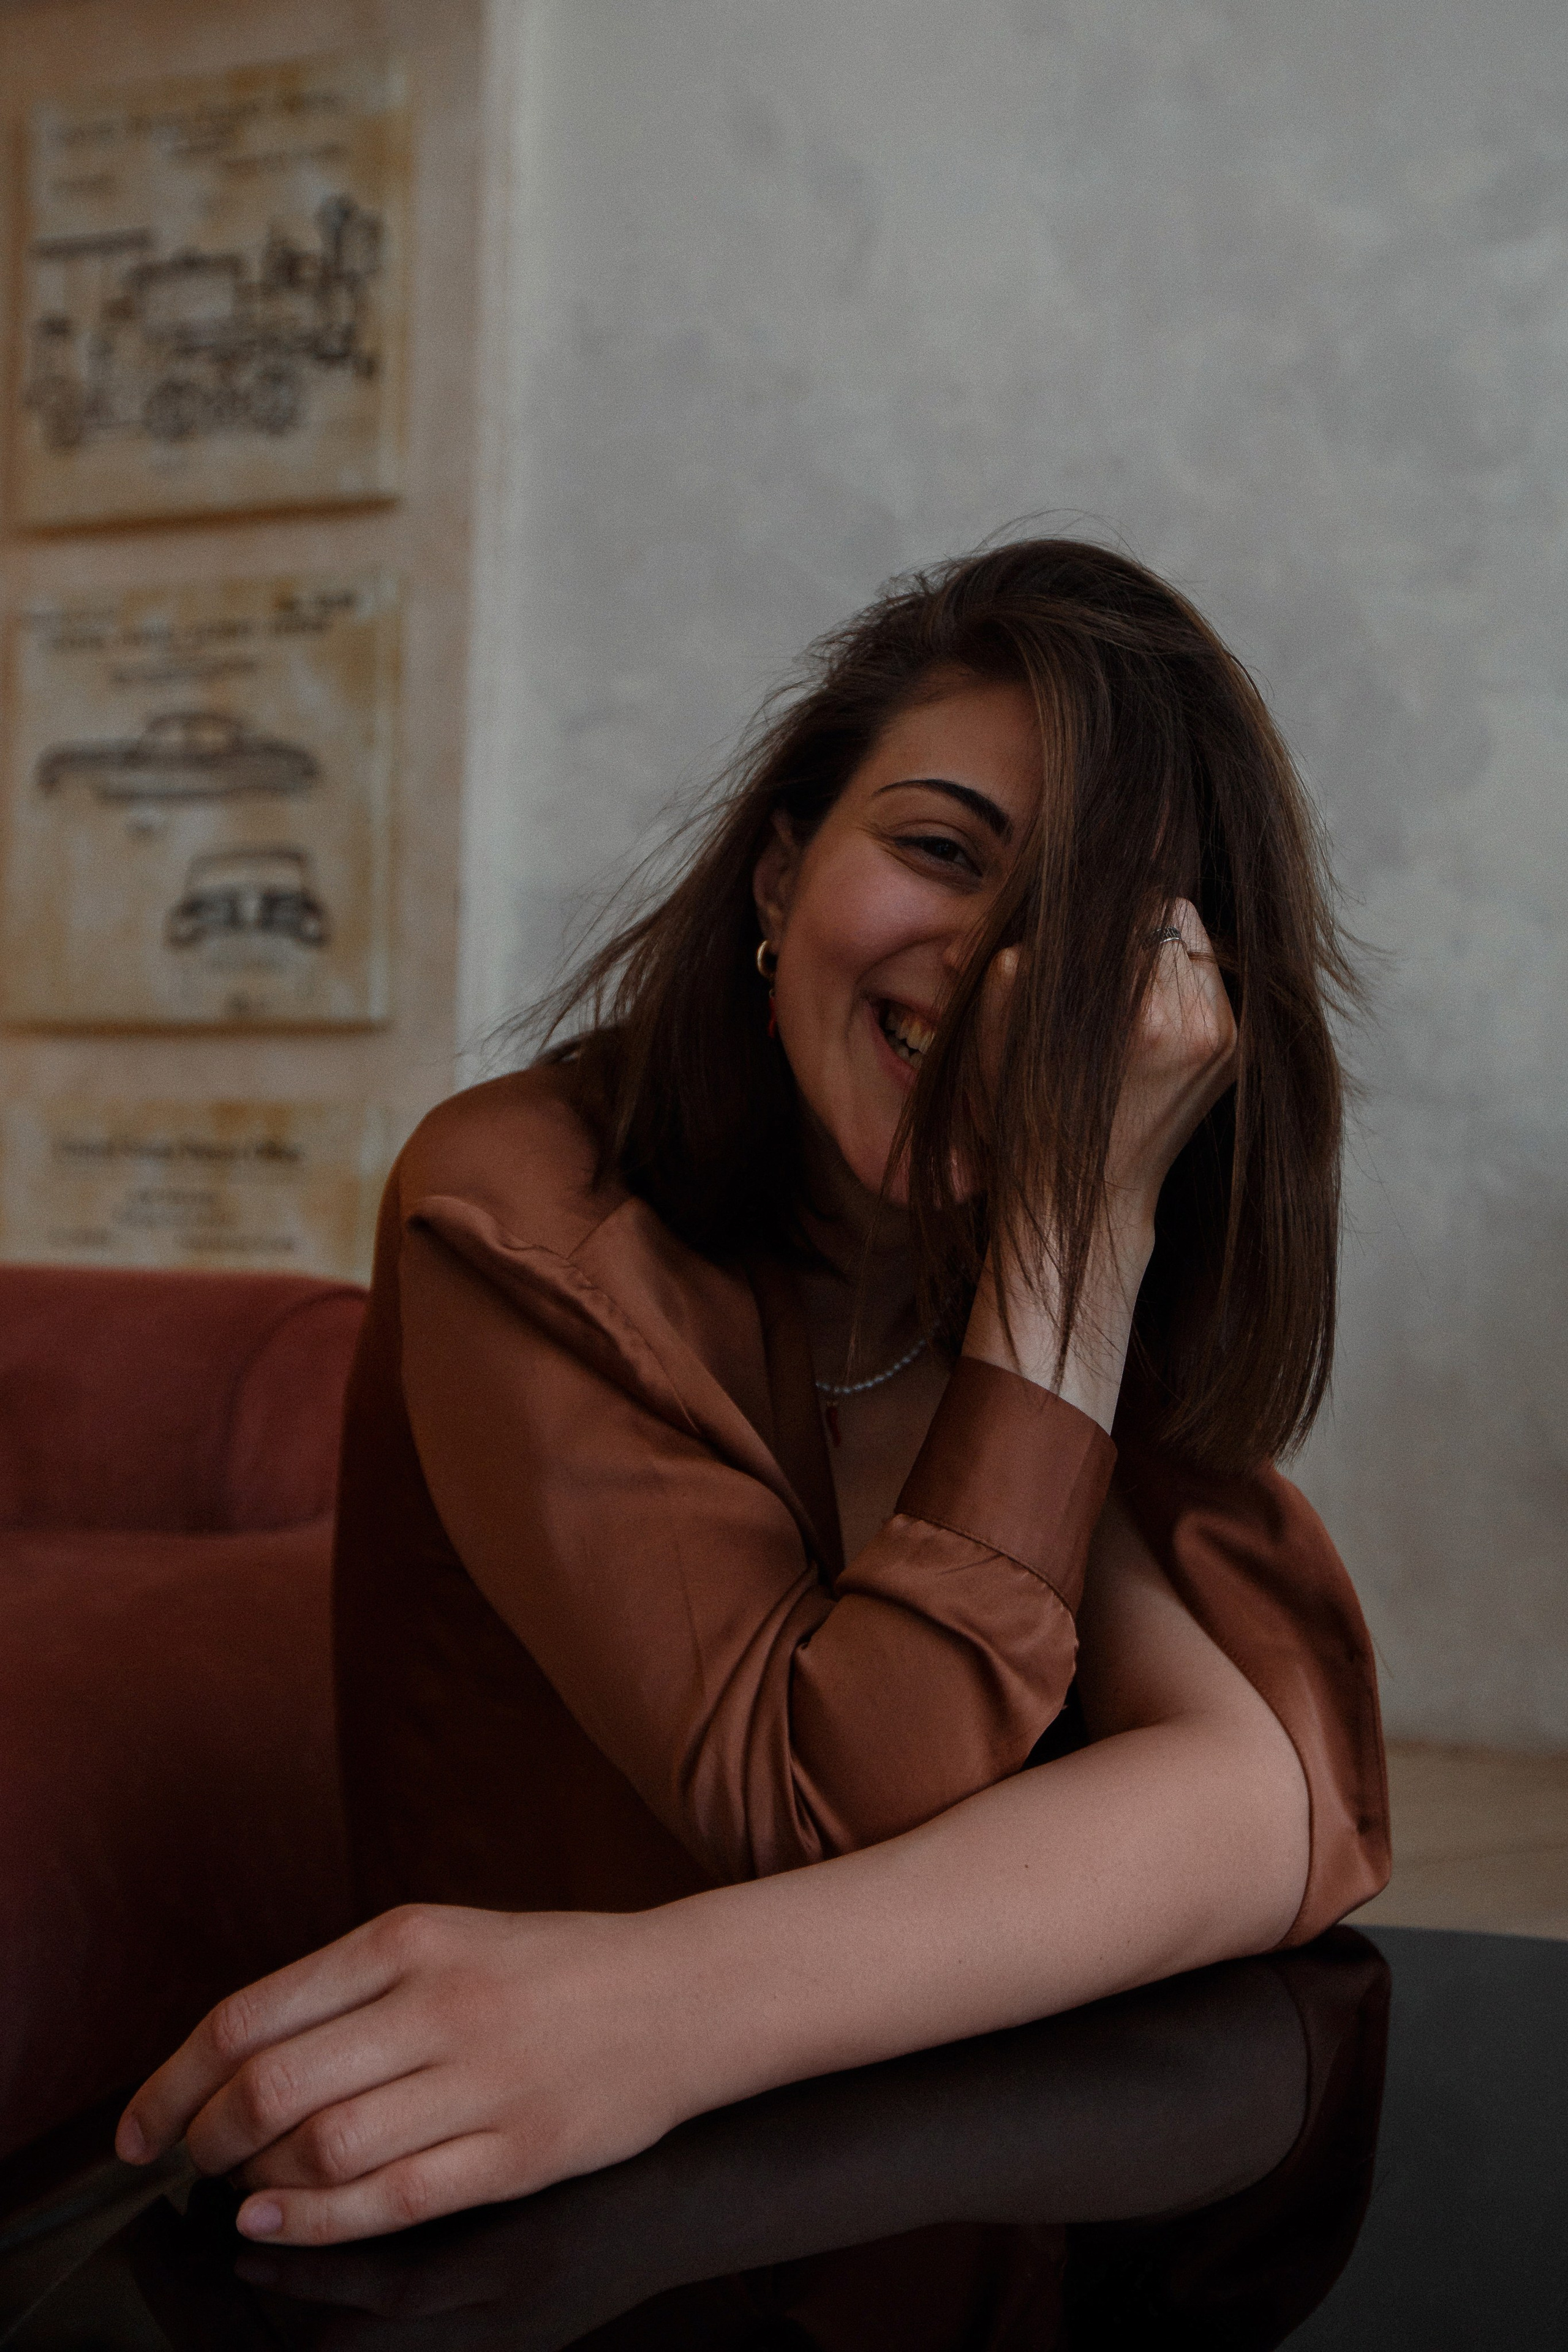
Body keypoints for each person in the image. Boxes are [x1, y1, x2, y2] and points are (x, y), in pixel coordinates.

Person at [116, 538, 1390, 2245]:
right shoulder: (521, 1213)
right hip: (583, 2240)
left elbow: (1269, 1803)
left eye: (1088, 927)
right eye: (941, 852)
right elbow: (829, 1808)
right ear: (781, 878)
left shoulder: (1034, 1250)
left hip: (916, 2170)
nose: (996, 967)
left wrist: (648, 2010)